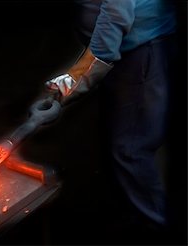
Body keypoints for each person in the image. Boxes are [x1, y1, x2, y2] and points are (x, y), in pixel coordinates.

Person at [44, 0, 178, 242]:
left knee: (130, 149)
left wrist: (74, 82)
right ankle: (138, 216)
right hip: (128, 49)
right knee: (121, 140)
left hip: (141, 50)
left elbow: (116, 15)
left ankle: (155, 231)